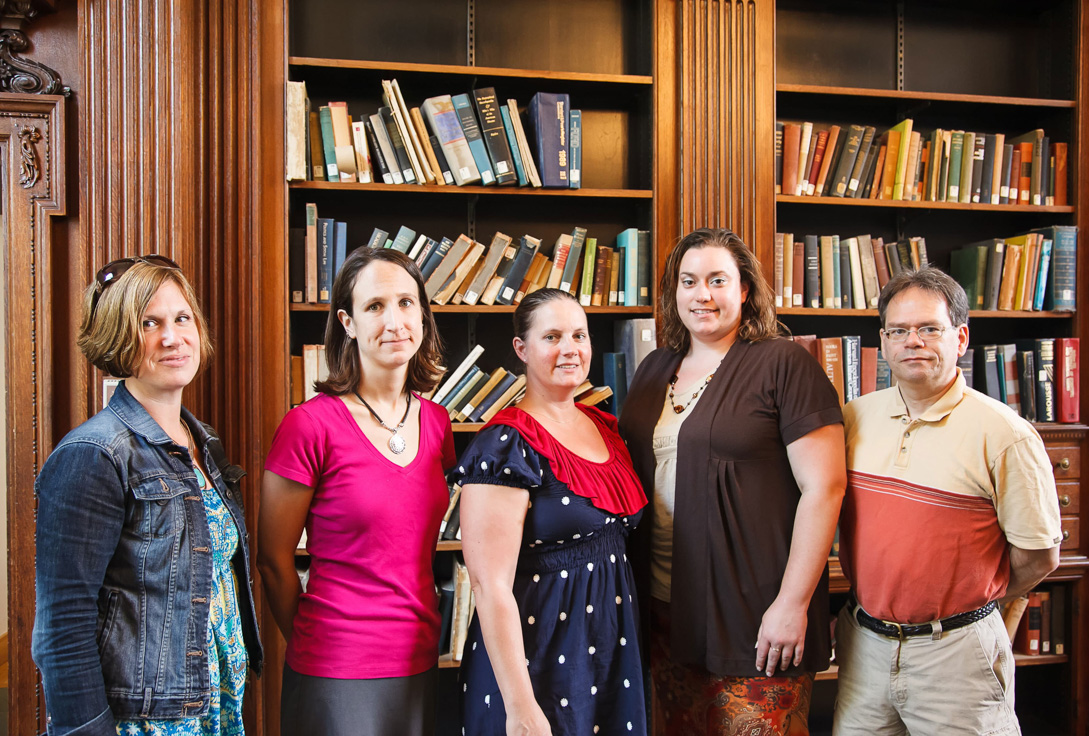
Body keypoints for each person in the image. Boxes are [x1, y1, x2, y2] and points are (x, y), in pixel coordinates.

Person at [619, 227, 846, 735]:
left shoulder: (783, 364)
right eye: (689, 281)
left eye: (717, 280)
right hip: (663, 610)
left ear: (744, 290)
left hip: (756, 615)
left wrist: (793, 604)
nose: (702, 295)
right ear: (673, 293)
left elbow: (825, 488)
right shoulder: (656, 369)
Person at [32, 255, 263, 736]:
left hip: (213, 706)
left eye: (182, 318)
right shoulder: (93, 454)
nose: (173, 337)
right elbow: (62, 625)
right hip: (143, 722)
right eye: (149, 323)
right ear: (119, 337)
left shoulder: (200, 441)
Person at [833, 267, 1062, 735]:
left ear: (960, 338)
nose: (912, 341)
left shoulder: (1005, 434)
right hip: (865, 648)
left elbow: (1039, 556)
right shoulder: (853, 418)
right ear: (884, 340)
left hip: (956, 653)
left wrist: (965, 605)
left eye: (929, 329)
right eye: (899, 331)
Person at [258, 247, 452, 736]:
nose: (395, 321)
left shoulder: (437, 422)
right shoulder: (309, 425)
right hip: (335, 666)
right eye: (375, 306)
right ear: (347, 322)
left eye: (407, 303)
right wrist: (318, 641)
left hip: (420, 656)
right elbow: (273, 560)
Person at [455, 288, 650, 736]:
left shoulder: (607, 428)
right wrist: (521, 706)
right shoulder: (504, 445)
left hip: (610, 651)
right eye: (553, 337)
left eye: (579, 335)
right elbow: (489, 586)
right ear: (522, 349)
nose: (571, 350)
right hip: (537, 660)